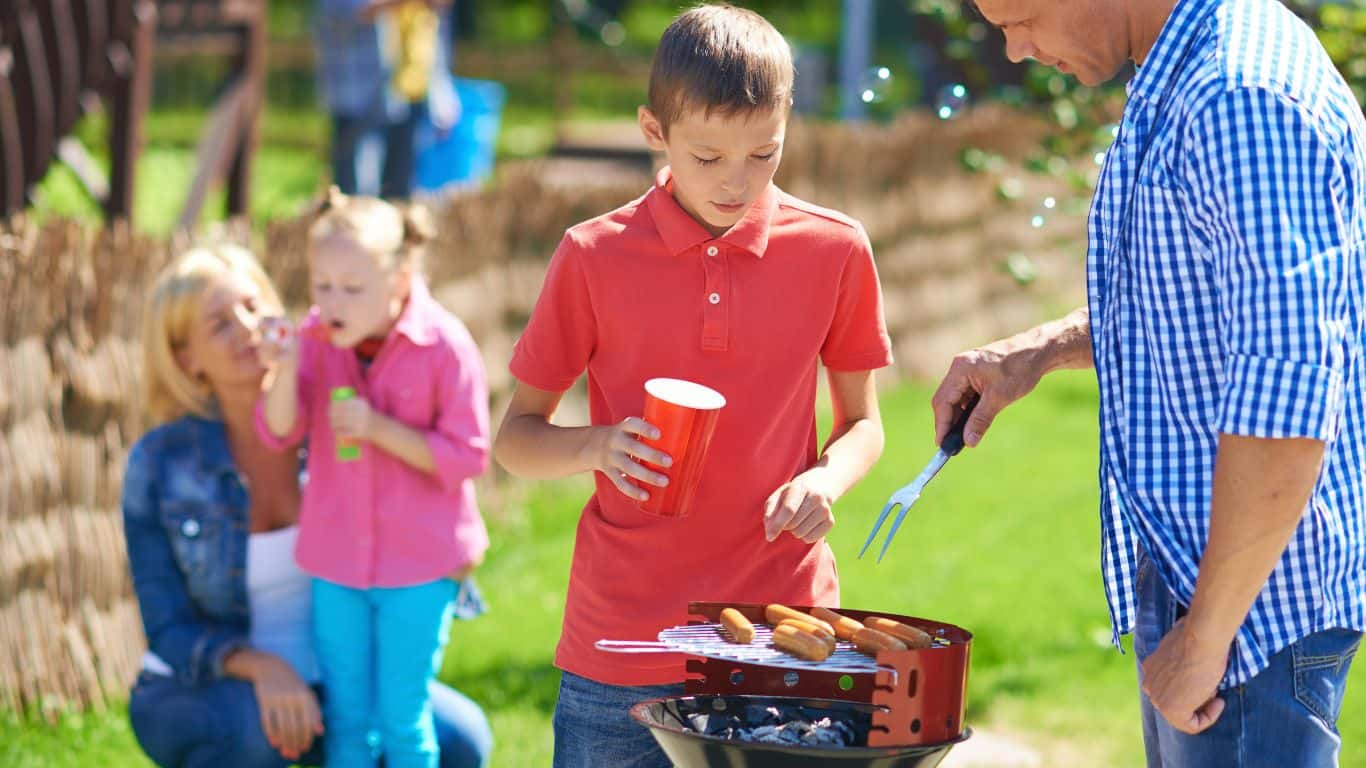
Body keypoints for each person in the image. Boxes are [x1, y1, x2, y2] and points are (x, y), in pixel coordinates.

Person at [936, 0, 1365, 765]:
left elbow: (1291, 385)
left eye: (1021, 18)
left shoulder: (1239, 96)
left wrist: (1205, 634)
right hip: (1212, 590)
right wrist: (1033, 353)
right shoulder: (1181, 73)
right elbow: (1188, 302)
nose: (1012, 50)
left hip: (1246, 619)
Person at [492, 5, 893, 767]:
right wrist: (598, 447)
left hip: (784, 633)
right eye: (707, 157)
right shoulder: (592, 256)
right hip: (621, 641)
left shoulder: (835, 250)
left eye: (764, 155)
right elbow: (516, 439)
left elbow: (863, 423)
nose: (737, 183)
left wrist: (826, 478)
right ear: (654, 131)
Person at [123, 243, 493, 768]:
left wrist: (458, 559)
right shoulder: (161, 462)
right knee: (255, 733)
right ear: (186, 358)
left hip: (332, 677)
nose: (248, 329)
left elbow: (416, 503)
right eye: (220, 325)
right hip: (206, 683)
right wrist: (262, 668)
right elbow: (168, 626)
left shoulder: (328, 414)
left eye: (253, 307)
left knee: (461, 738)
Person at [258, 189, 491, 768]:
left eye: (352, 288)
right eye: (322, 286)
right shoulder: (314, 339)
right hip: (336, 564)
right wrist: (284, 368)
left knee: (402, 719)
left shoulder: (444, 346)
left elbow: (468, 456)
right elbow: (278, 432)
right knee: (347, 719)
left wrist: (378, 429)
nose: (332, 302)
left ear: (398, 277)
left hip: (419, 568)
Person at [313, 0, 459, 199]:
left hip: (408, 97)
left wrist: (442, 95)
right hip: (359, 101)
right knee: (358, 196)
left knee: (400, 194)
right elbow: (350, 12)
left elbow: (433, 25)